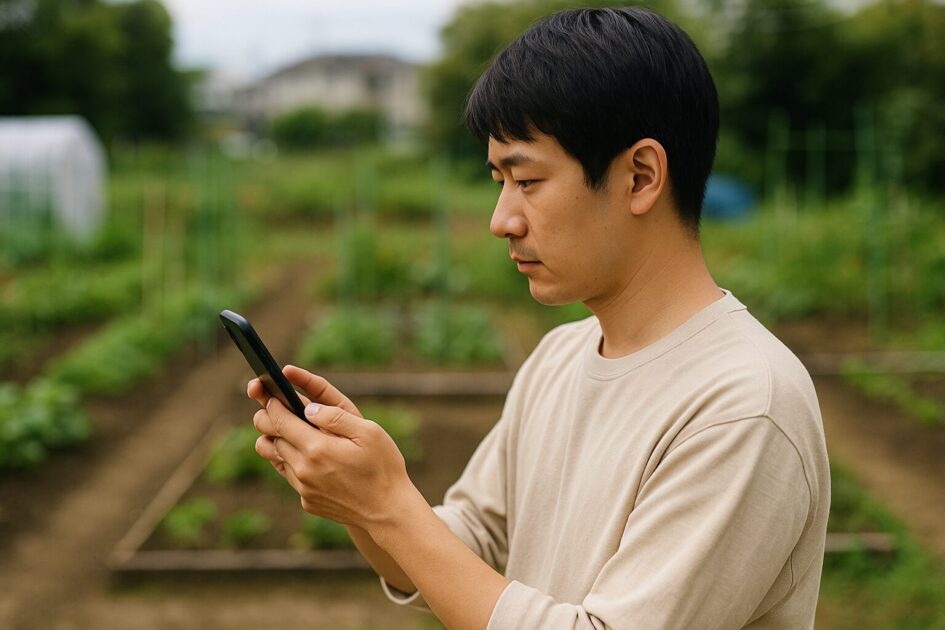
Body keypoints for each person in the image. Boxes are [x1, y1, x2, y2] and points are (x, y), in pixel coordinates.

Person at [248, 6, 830, 629]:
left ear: (641, 177)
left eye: (527, 181)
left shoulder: (742, 406)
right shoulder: (559, 357)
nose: (502, 220)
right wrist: (362, 497)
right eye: (499, 181)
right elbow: (465, 549)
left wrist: (390, 506)